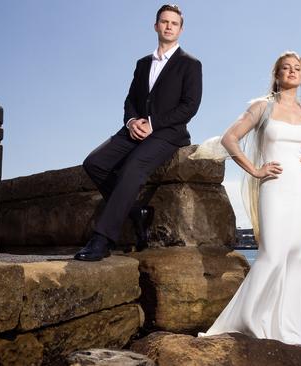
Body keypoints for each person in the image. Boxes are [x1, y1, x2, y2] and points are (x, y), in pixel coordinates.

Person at [191, 51, 301, 364]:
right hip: (273, 186)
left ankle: (293, 327)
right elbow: (231, 139)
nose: (292, 72)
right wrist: (255, 170)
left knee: (299, 256)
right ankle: (247, 321)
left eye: (297, 68)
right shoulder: (262, 106)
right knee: (272, 254)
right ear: (276, 74)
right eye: (286, 68)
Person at [75, 4, 202, 261]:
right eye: (164, 22)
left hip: (168, 133)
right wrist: (132, 121)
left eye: (173, 23)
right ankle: (135, 211)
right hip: (135, 129)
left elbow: (190, 106)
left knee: (132, 167)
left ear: (180, 29)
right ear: (156, 26)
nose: (168, 26)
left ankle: (103, 239)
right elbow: (130, 100)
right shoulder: (142, 63)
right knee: (94, 163)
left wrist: (153, 124)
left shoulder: (190, 64)